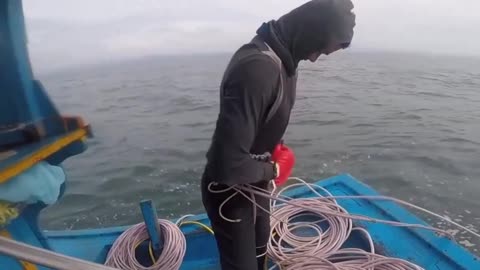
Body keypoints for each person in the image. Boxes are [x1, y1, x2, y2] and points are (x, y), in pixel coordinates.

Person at [201, 0, 356, 269]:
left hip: (255, 184)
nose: (314, 58)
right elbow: (224, 165)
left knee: (261, 256)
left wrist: (273, 150)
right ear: (309, 29)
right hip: (229, 193)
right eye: (319, 48)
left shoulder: (286, 60)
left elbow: (264, 120)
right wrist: (273, 169)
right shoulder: (257, 69)